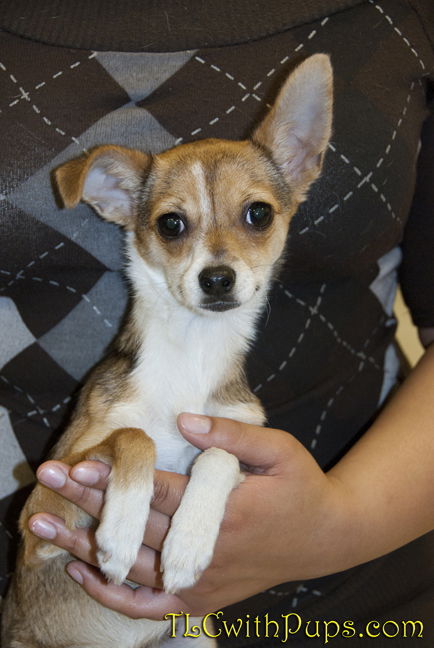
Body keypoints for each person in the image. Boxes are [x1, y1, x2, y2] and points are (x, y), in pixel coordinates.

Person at [1, 1, 434, 645]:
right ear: (118, 201)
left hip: (358, 588)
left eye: (255, 216)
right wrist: (130, 456)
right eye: (175, 226)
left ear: (301, 163)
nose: (217, 262)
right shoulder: (119, 400)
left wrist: (337, 525)